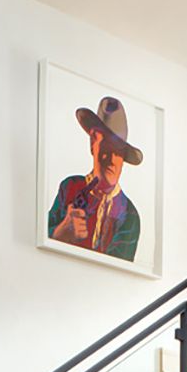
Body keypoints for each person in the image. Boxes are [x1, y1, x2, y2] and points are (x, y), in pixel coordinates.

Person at [48, 95, 143, 262]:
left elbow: (117, 268)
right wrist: (61, 233)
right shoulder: (69, 187)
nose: (111, 159)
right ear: (93, 143)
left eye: (118, 152)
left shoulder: (129, 214)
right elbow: (43, 234)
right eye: (106, 146)